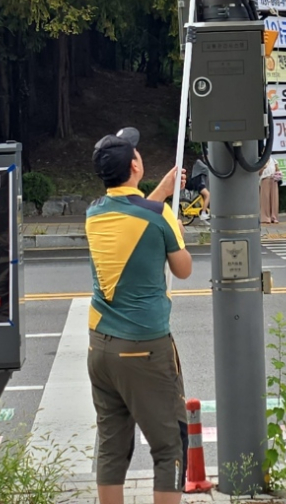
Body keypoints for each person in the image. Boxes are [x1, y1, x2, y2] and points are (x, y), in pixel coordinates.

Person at [86, 125, 192, 504]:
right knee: (169, 447)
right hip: (144, 347)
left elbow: (133, 217)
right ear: (135, 165)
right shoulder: (158, 215)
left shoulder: (94, 213)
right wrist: (174, 230)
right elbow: (183, 269)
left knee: (112, 448)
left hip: (100, 348)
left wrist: (161, 194)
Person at [259, 155, 281, 224]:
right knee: (265, 198)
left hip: (273, 180)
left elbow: (278, 170)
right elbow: (258, 173)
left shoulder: (274, 160)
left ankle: (274, 217)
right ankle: (265, 217)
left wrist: (277, 175)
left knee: (274, 198)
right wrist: (263, 167)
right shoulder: (260, 161)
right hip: (265, 179)